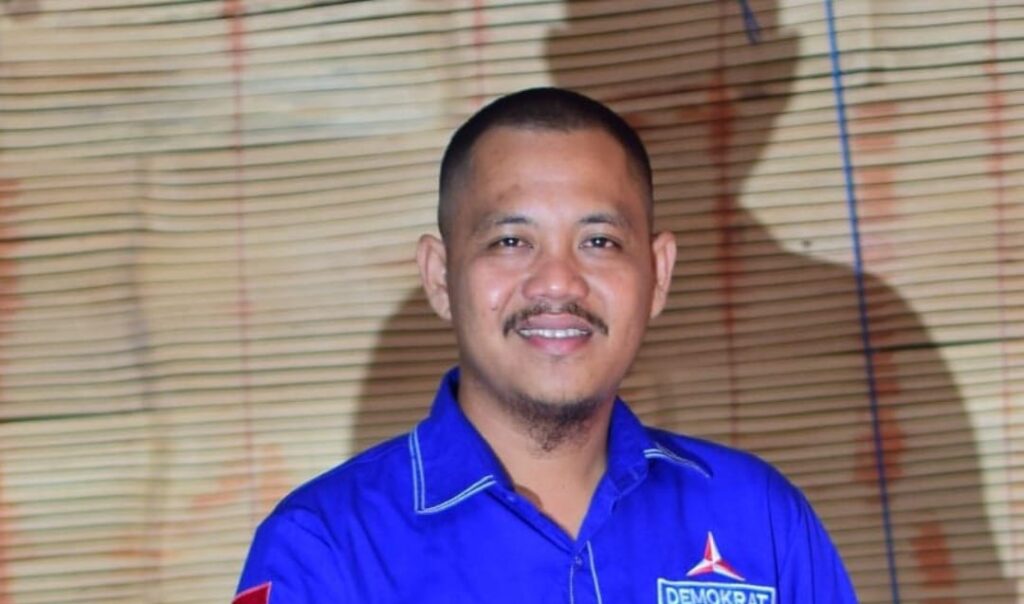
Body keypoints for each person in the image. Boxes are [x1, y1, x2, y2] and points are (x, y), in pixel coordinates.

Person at [232, 87, 858, 604]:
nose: (558, 282)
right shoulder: (326, 546)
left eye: (599, 242)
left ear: (659, 274)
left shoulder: (759, 519)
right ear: (439, 277)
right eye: (511, 242)